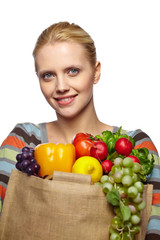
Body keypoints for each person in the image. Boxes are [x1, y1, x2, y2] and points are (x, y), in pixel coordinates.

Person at [0, 21, 159, 239]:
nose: (61, 86)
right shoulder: (23, 139)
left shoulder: (134, 145)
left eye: (72, 71)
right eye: (48, 75)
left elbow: (155, 228)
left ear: (96, 72)